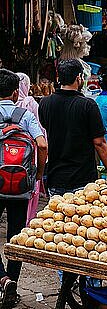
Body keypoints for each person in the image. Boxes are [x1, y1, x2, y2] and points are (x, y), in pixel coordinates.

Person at [0, 69, 47, 309]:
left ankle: (2, 279)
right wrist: (38, 174)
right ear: (16, 92)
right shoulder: (25, 115)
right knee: (16, 236)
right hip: (20, 184)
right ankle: (13, 284)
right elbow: (42, 143)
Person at [39, 59, 107, 197]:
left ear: (58, 78)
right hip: (82, 178)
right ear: (79, 77)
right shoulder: (88, 105)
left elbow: (46, 126)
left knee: (57, 216)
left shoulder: (45, 103)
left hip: (56, 177)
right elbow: (99, 142)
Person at [16, 72, 46, 223]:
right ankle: (27, 221)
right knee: (28, 187)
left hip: (6, 155)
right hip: (29, 154)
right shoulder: (30, 103)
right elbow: (41, 134)